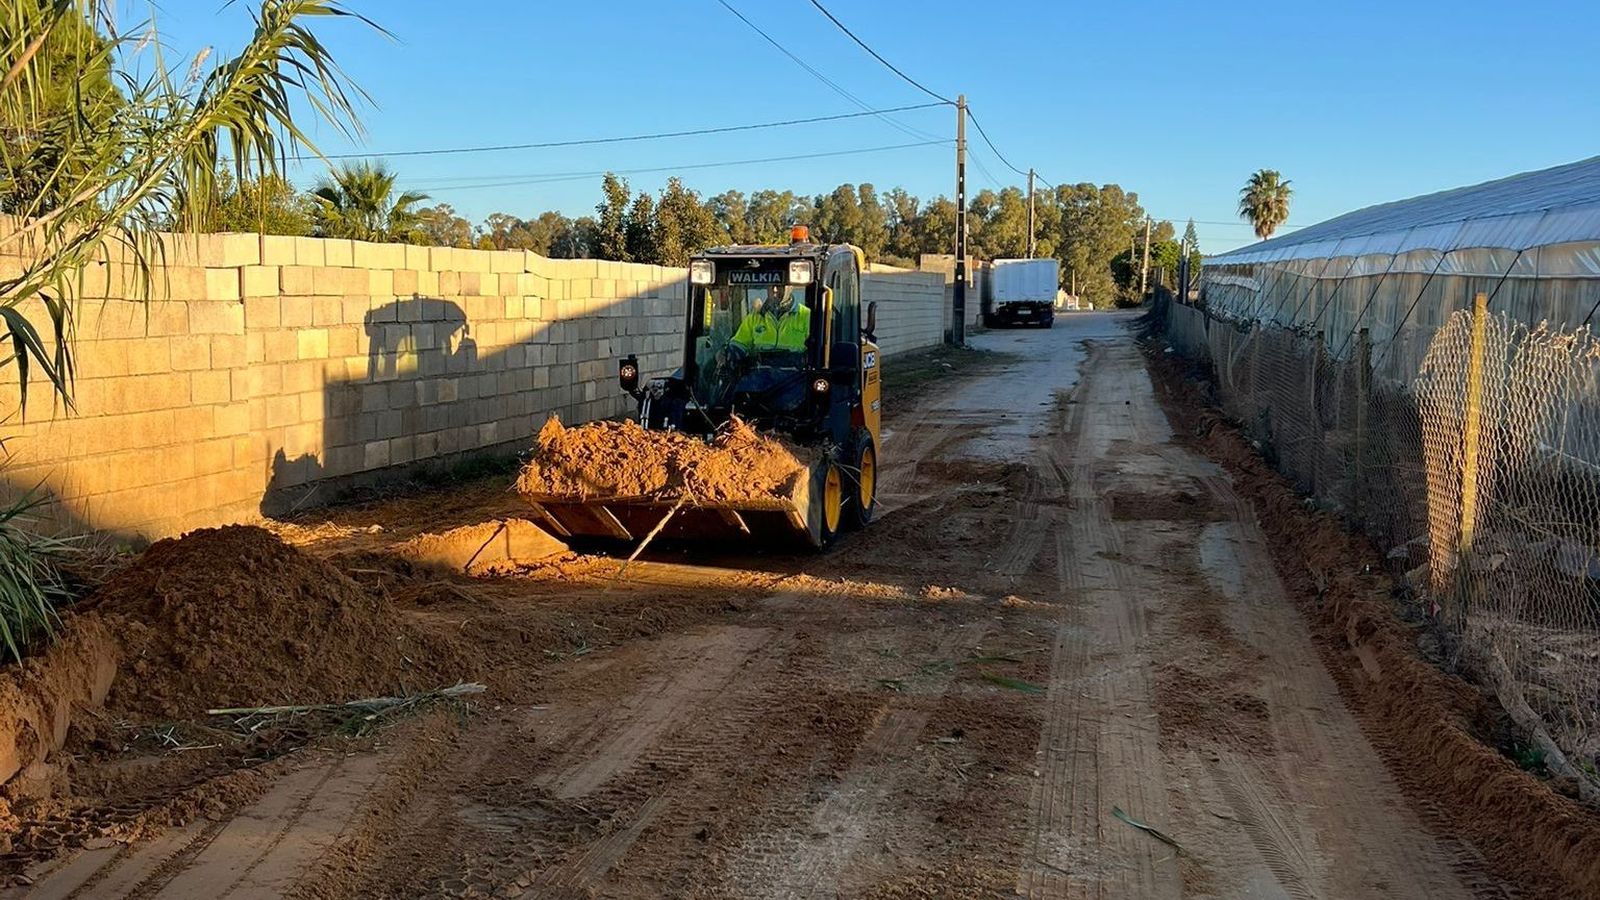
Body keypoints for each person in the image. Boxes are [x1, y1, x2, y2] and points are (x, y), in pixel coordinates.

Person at [730, 286, 810, 355]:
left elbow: (816, 350)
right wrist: (728, 353)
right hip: (759, 372)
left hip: (796, 372)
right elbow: (738, 345)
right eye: (771, 285)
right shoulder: (755, 318)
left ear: (791, 287)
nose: (775, 289)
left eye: (780, 285)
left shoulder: (806, 316)